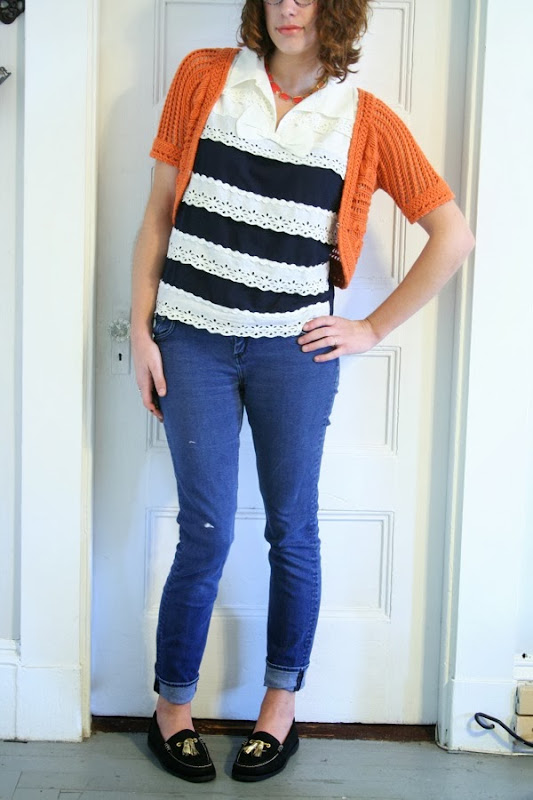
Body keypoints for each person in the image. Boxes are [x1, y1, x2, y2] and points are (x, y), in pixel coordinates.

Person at [131, 0, 475, 784]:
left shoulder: (366, 121)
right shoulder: (204, 78)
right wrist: (143, 331)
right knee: (206, 530)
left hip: (293, 352)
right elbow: (156, 214)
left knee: (292, 530)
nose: (289, 6)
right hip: (191, 340)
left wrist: (371, 326)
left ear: (336, 9)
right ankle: (172, 709)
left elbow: (452, 235)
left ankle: (278, 710)